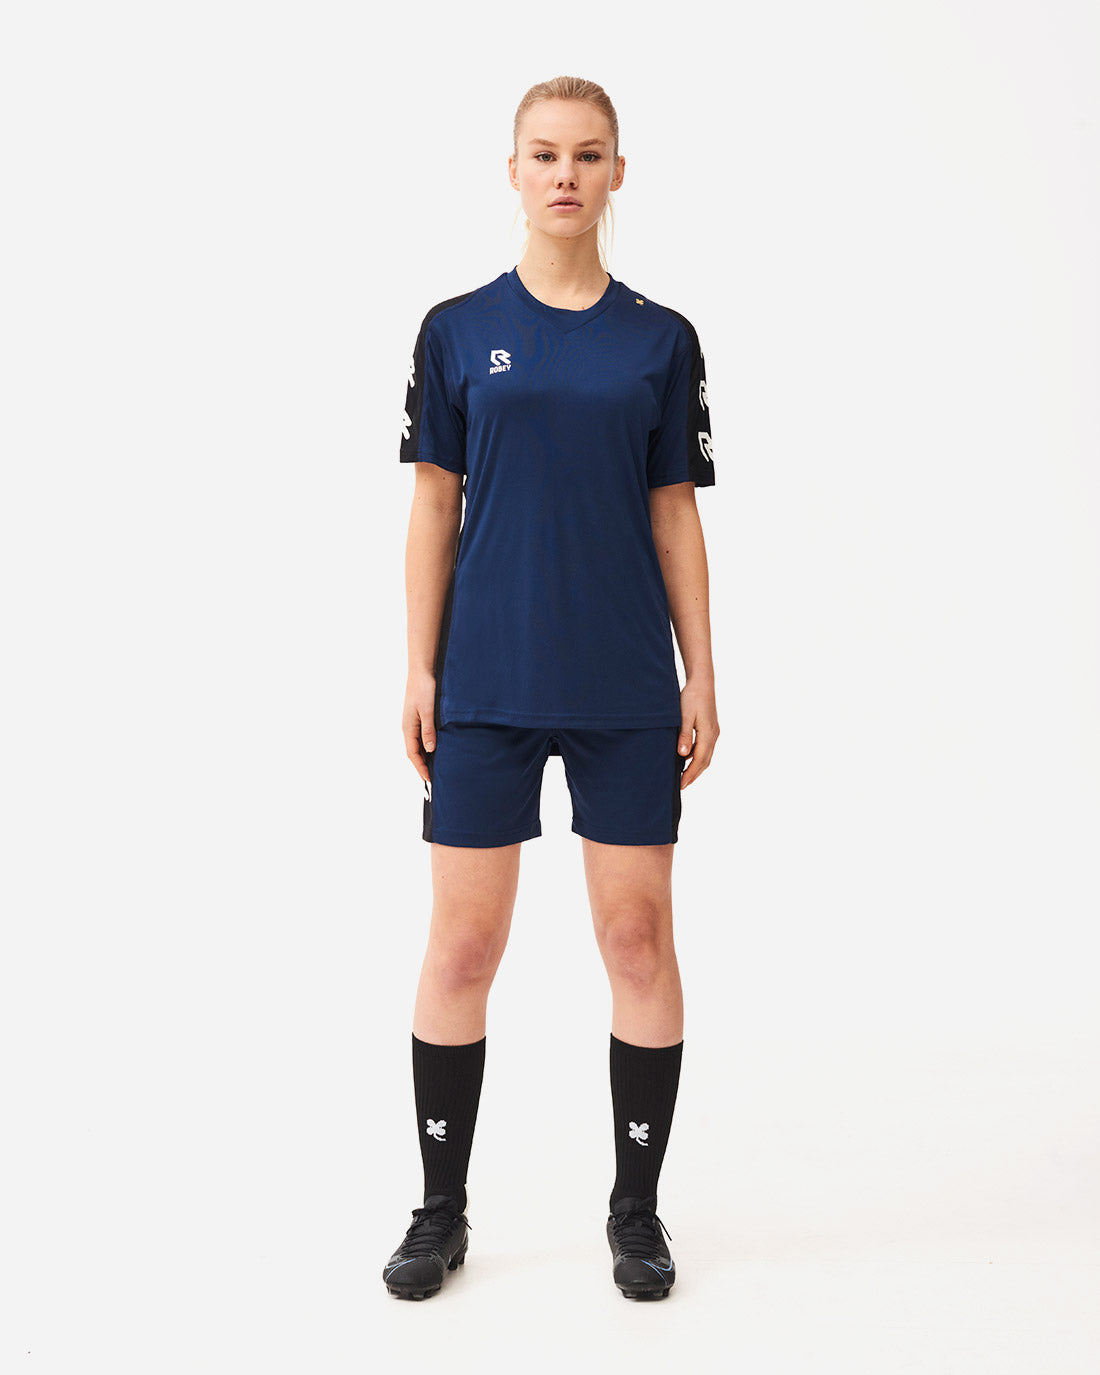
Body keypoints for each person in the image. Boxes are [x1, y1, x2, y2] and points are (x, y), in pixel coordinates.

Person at [383, 75, 718, 1301]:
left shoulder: (658, 339)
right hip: (486, 678)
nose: (564, 173)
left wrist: (700, 670)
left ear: (616, 171)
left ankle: (635, 1209)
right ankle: (439, 1209)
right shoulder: (455, 330)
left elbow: (673, 513)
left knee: (635, 937)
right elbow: (433, 506)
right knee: (463, 944)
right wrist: (419, 664)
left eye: (586, 153)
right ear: (513, 171)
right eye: (543, 153)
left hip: (624, 679)